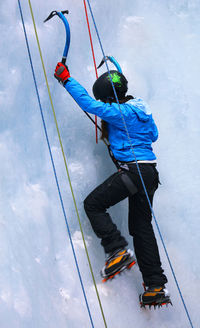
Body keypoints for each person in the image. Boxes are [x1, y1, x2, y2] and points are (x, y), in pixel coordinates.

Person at [54, 62, 171, 307]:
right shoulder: (141, 112)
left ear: (109, 96)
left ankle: (116, 249)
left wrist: (66, 80)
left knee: (93, 204)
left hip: (134, 170)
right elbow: (153, 135)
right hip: (149, 173)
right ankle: (155, 286)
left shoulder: (121, 112)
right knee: (141, 229)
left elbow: (90, 104)